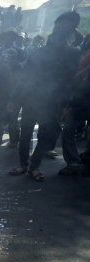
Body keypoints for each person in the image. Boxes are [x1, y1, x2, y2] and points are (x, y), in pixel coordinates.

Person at [9, 12, 81, 182]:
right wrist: (13, 98)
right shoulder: (41, 52)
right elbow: (25, 76)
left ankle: (31, 166)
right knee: (31, 134)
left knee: (39, 135)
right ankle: (27, 166)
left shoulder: (70, 53)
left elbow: (69, 81)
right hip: (37, 100)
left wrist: (65, 103)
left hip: (49, 101)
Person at [59, 35, 90, 175]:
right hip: (81, 98)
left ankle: (73, 163)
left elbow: (76, 78)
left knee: (68, 130)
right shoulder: (86, 54)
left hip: (82, 98)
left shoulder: (86, 55)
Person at [0, 48, 22, 146]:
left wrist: (7, 69)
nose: (6, 59)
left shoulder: (18, 66)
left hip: (11, 96)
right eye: (4, 56)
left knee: (12, 119)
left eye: (9, 57)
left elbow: (13, 82)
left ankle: (14, 142)